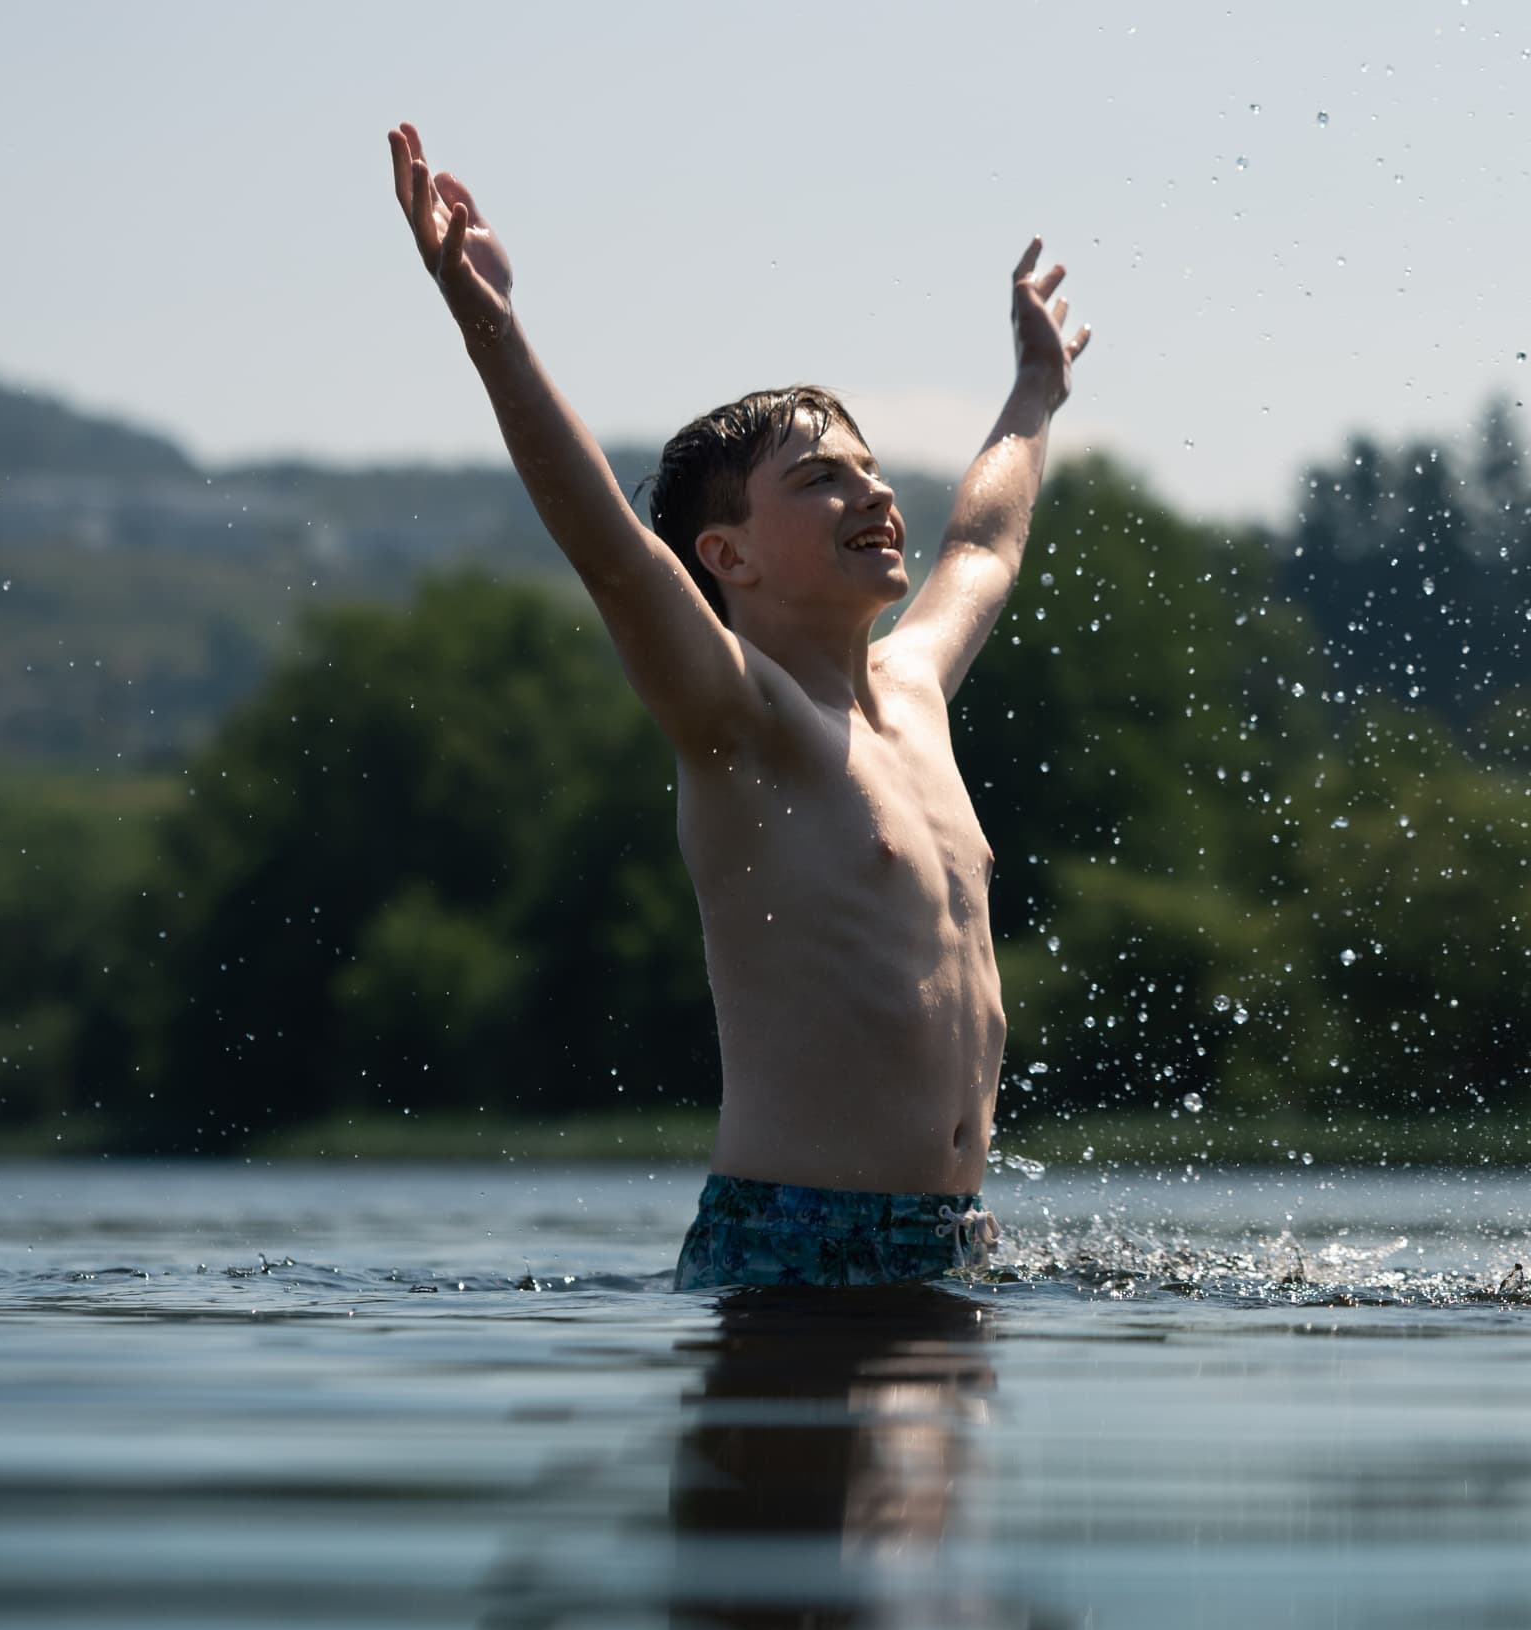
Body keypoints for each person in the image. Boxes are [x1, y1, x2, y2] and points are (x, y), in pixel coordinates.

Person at [384, 122, 1087, 1289]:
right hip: (790, 1241)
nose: (873, 494)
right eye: (821, 481)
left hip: (953, 1245)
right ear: (728, 555)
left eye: (870, 471)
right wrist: (489, 325)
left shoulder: (915, 689)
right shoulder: (742, 720)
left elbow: (983, 544)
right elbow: (612, 550)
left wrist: (1034, 393)